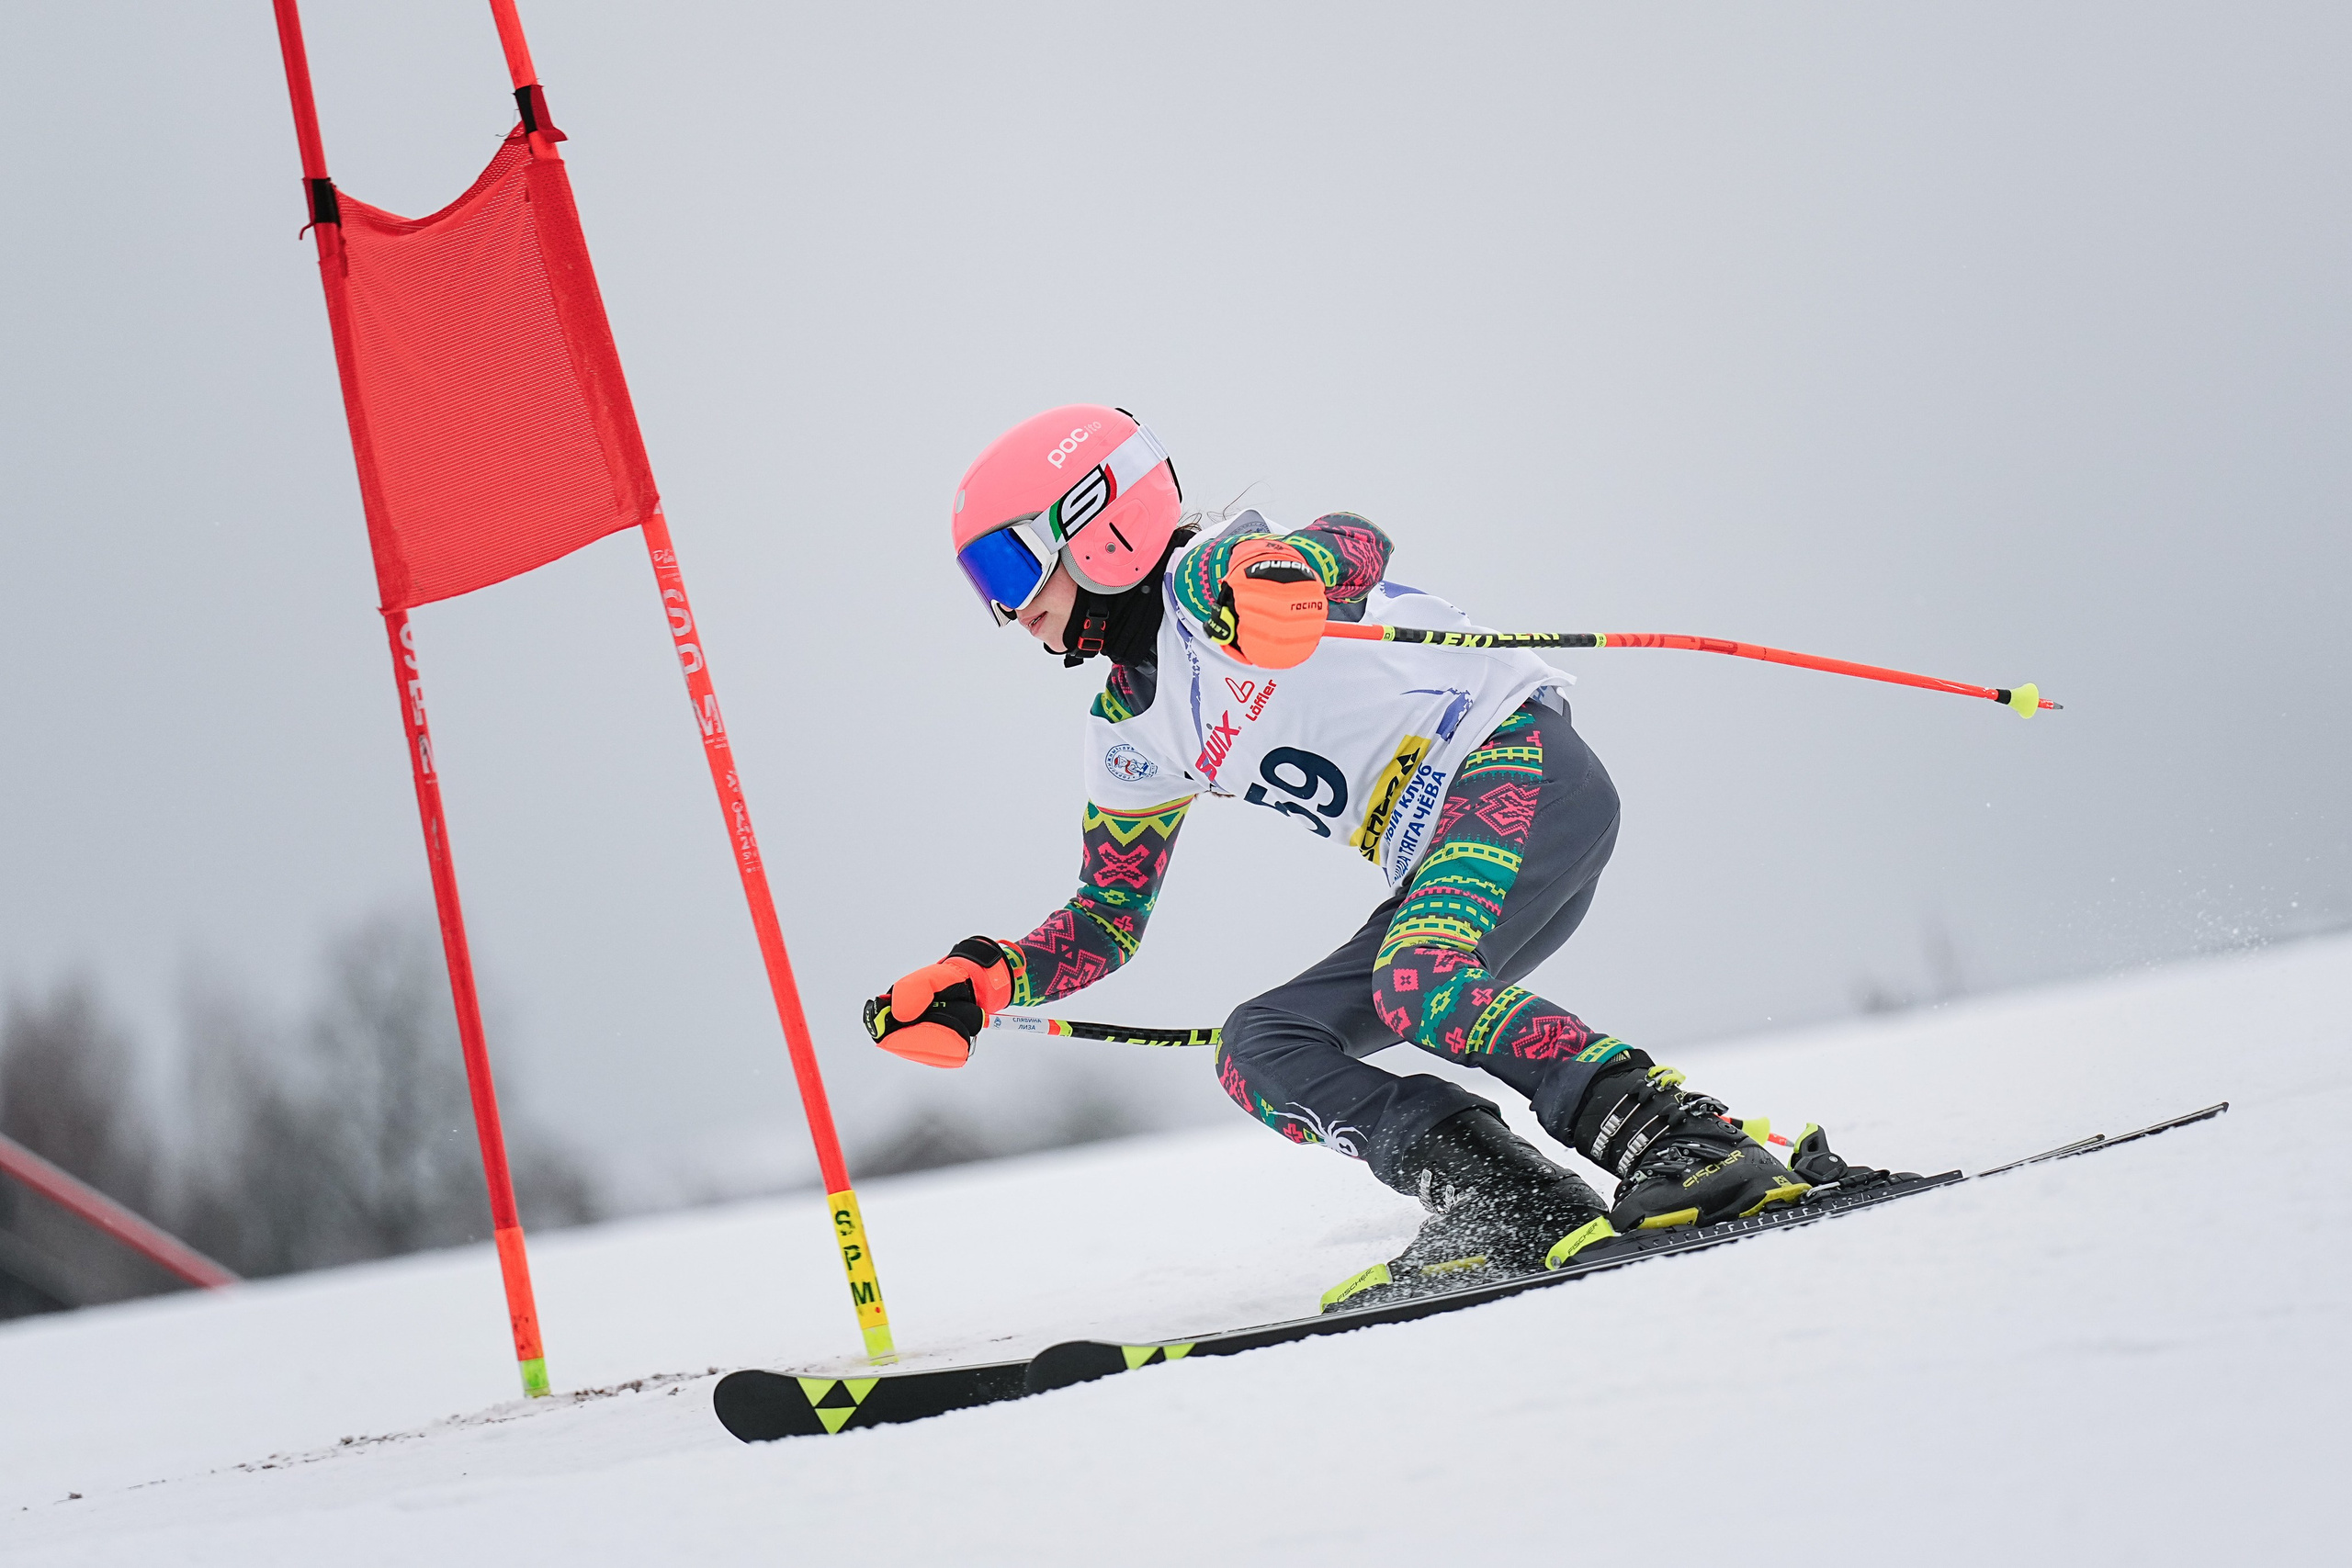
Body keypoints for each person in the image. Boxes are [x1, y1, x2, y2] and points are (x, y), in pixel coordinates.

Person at [866, 404, 1831, 1310]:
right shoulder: (1129, 728)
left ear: (1097, 524)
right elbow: (1107, 920)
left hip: (1516, 768)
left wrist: (1289, 578)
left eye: (1008, 569)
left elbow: (1354, 541)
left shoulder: (1210, 578)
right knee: (1261, 1045)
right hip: (1442, 867)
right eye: (983, 590)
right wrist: (984, 980)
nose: (1007, 611)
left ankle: (1687, 1142)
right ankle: (1503, 1196)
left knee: (1418, 978)